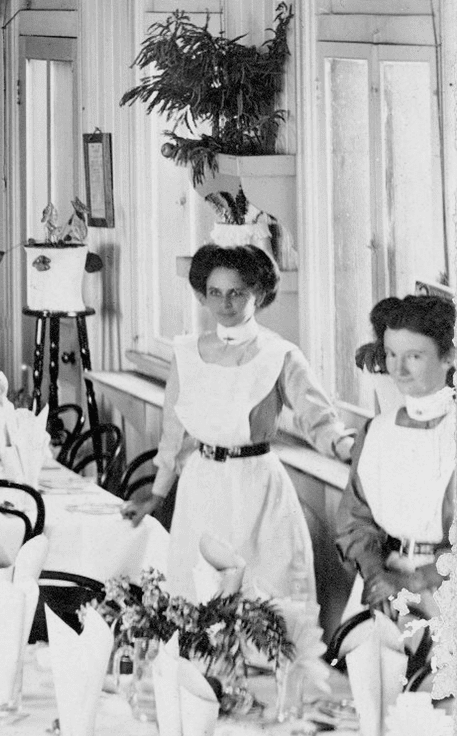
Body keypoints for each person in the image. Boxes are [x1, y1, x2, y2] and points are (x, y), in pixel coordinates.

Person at [122, 242, 354, 660]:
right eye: (215, 292)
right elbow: (174, 434)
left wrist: (348, 448)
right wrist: (156, 494)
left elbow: (317, 417)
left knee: (267, 604)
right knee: (198, 604)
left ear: (258, 293)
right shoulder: (187, 353)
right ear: (201, 294)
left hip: (258, 488)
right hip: (202, 486)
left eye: (237, 292)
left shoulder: (279, 355)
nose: (225, 303)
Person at [335, 293, 455, 623]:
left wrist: (416, 580)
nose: (398, 368)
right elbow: (355, 520)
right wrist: (376, 573)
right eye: (390, 354)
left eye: (414, 356)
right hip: (383, 585)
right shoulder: (376, 431)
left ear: (449, 357)